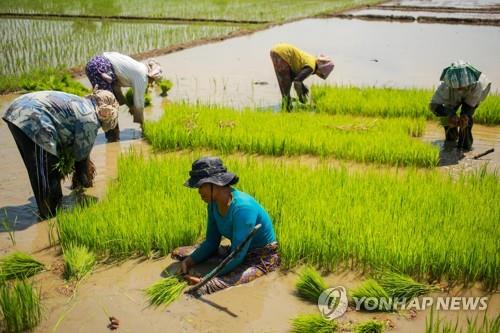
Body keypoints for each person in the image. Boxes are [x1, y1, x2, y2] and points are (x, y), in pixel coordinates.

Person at [2, 89, 119, 219]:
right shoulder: (91, 118)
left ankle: (49, 213)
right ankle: (49, 216)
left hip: (16, 111)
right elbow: (81, 160)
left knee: (38, 169)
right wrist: (84, 185)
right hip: (33, 117)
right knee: (48, 173)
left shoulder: (81, 102)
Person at [171, 157, 280, 295]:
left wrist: (206, 278)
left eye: (200, 186)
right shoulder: (212, 204)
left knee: (205, 287)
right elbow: (211, 242)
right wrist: (189, 261)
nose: (198, 191)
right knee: (178, 254)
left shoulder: (243, 209)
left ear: (214, 184)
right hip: (234, 251)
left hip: (259, 258)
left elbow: (237, 256)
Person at [85, 52, 163, 141]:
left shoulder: (140, 67)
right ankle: (113, 137)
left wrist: (126, 103)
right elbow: (139, 102)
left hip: (94, 64)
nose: (151, 84)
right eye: (153, 81)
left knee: (108, 101)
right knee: (107, 105)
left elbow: (115, 86)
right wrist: (141, 122)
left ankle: (113, 134)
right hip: (100, 68)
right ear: (152, 77)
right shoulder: (143, 77)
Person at [429, 60, 491, 151]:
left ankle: (465, 146)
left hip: (473, 95)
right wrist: (450, 114)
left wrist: (465, 115)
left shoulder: (478, 85)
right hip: (451, 98)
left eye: (462, 87)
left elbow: (469, 107)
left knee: (466, 120)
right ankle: (450, 142)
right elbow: (433, 106)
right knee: (448, 120)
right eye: (457, 87)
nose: (460, 89)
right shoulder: (445, 86)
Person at [270, 43, 334, 111]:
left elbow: (293, 76)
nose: (318, 75)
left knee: (284, 84)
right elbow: (297, 81)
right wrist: (301, 98)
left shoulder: (310, 59)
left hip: (276, 50)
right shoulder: (311, 67)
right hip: (283, 52)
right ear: (321, 69)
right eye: (320, 74)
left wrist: (302, 87)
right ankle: (287, 108)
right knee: (285, 87)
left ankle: (286, 106)